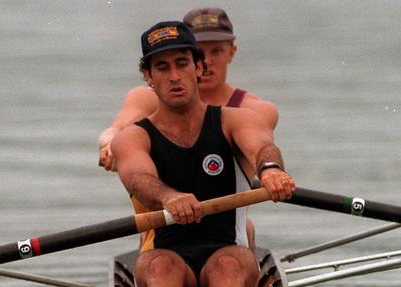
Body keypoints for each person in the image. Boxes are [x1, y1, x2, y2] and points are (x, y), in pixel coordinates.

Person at [110, 21, 295, 287]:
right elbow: (139, 180)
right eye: (162, 67)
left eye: (182, 64)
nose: (174, 76)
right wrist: (169, 197)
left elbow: (262, 147)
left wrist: (271, 170)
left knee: (228, 265)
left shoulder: (234, 120)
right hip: (165, 254)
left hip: (228, 251)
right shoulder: (132, 138)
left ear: (198, 67)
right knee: (160, 267)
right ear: (148, 77)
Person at [98, 7, 278, 247]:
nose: (209, 60)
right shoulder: (147, 99)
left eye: (217, 51)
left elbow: (257, 151)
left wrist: (272, 171)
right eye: (201, 51)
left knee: (245, 226)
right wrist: (110, 144)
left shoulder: (254, 111)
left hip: (225, 231)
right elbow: (116, 129)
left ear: (231, 53)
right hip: (164, 230)